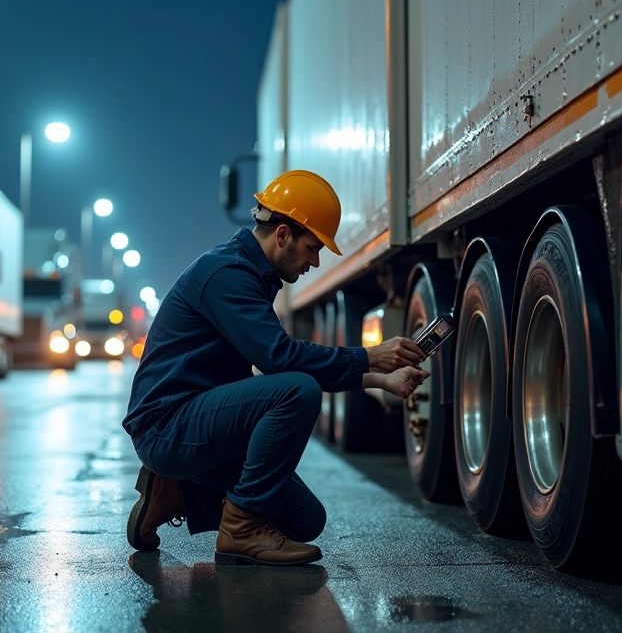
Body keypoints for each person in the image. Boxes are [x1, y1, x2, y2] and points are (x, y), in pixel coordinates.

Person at [122, 169, 429, 566]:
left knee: (306, 519)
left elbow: (274, 364)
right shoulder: (227, 275)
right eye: (312, 247)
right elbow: (280, 360)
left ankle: (176, 493)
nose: (315, 261)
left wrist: (379, 379)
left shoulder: (253, 276)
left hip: (196, 423)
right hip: (167, 427)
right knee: (298, 390)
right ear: (282, 233)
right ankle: (241, 528)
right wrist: (370, 355)